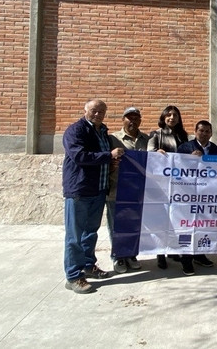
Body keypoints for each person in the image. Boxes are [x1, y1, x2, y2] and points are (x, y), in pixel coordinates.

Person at [62, 99, 123, 294]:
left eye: (102, 111)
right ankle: (73, 276)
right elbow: (79, 156)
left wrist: (111, 162)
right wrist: (109, 156)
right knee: (75, 236)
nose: (98, 114)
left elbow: (102, 158)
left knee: (90, 232)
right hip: (80, 190)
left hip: (98, 189)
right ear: (85, 110)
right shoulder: (76, 130)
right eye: (94, 111)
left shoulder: (102, 131)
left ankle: (88, 266)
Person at [107, 106, 149, 274]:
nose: (132, 121)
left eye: (136, 118)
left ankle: (131, 254)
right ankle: (118, 257)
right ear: (122, 119)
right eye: (129, 117)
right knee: (116, 225)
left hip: (138, 191)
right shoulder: (112, 139)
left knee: (133, 224)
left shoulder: (146, 139)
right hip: (116, 189)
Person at [147, 105, 189, 272]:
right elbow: (149, 153)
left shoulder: (183, 136)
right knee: (161, 220)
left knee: (176, 220)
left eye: (175, 115)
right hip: (161, 186)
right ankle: (160, 254)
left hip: (180, 186)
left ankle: (172, 251)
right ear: (163, 117)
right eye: (169, 115)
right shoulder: (156, 134)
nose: (172, 117)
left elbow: (187, 157)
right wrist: (157, 152)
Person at [175, 120, 217, 274]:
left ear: (211, 133)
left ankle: (199, 255)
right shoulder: (185, 147)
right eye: (201, 131)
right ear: (195, 131)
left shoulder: (214, 148)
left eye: (207, 131)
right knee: (188, 227)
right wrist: (190, 159)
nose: (204, 134)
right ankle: (186, 260)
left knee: (203, 225)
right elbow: (176, 168)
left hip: (206, 195)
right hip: (189, 194)